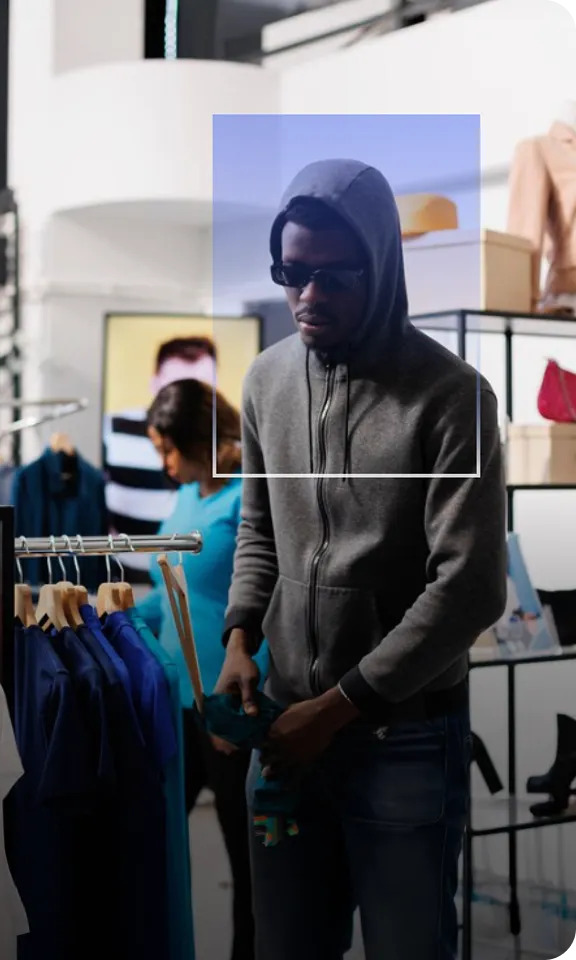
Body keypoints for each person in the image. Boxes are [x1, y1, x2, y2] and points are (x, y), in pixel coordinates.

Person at [215, 159, 507, 960]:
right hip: (284, 728)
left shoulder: (451, 396)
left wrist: (338, 707)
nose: (308, 295)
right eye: (291, 273)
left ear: (379, 267)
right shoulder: (266, 380)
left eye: (333, 276)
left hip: (400, 739)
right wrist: (240, 640)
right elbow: (260, 529)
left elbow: (471, 587)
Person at [136, 377, 268, 960]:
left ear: (196, 439)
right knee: (152, 842)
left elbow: (268, 602)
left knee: (249, 865)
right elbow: (171, 596)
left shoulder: (246, 496)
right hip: (179, 704)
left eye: (168, 448)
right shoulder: (187, 496)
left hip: (229, 705)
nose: (164, 463)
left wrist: (243, 704)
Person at [103, 336, 217, 584]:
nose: (184, 409)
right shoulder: (112, 428)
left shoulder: (227, 453)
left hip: (194, 583)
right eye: (174, 392)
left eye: (197, 393)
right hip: (123, 579)